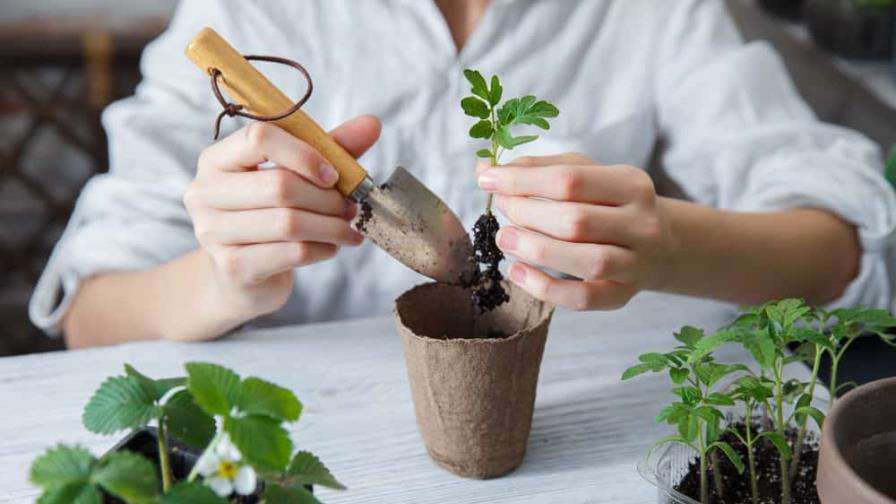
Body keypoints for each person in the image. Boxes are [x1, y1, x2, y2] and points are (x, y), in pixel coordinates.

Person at [30, 0, 896, 348]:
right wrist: (225, 282)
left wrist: (668, 245)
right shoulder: (249, 9)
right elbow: (91, 317)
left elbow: (842, 246)